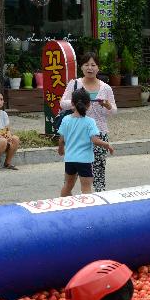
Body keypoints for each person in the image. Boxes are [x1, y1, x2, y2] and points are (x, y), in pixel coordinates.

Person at [60, 51, 117, 191]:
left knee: (98, 169)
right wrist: (77, 103)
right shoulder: (74, 84)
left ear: (98, 68)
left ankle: (98, 196)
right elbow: (63, 103)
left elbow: (114, 111)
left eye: (93, 65)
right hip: (79, 132)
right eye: (86, 64)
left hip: (98, 132)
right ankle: (70, 200)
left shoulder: (106, 88)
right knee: (75, 171)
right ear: (81, 67)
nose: (90, 68)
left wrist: (108, 105)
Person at [57, 89, 115, 197]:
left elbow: (61, 139)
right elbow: (95, 140)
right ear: (88, 105)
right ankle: (86, 211)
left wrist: (61, 149)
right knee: (86, 189)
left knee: (68, 186)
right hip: (84, 160)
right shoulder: (90, 121)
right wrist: (107, 145)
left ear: (72, 104)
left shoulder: (65, 119)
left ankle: (64, 207)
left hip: (70, 159)